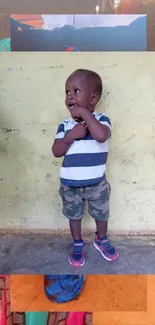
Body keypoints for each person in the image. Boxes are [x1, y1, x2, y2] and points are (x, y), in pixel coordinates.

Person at [52, 69, 119, 267]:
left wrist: (84, 115)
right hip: (70, 185)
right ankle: (78, 242)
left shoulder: (102, 120)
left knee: (102, 214)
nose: (69, 95)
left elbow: (101, 136)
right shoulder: (64, 125)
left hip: (97, 184)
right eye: (67, 92)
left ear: (93, 97)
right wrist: (70, 136)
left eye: (76, 91)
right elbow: (57, 151)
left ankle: (102, 239)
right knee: (74, 216)